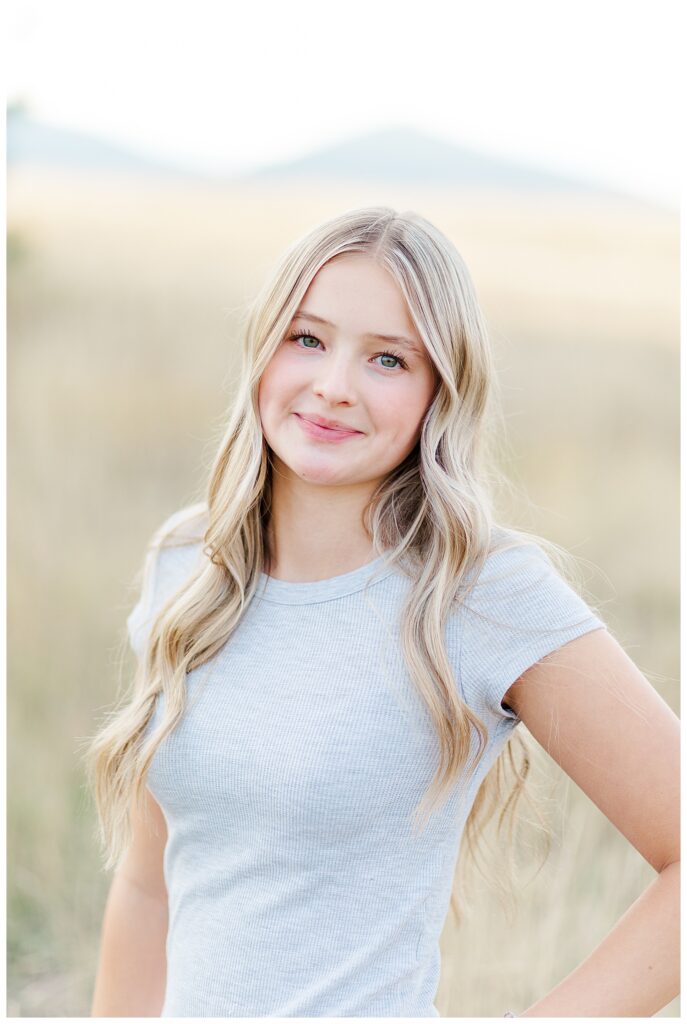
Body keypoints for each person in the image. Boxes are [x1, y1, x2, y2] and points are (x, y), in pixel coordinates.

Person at [85, 206, 679, 1018]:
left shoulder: (481, 593)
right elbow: (149, 885)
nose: (333, 385)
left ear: (440, 390)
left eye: (389, 359)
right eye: (307, 339)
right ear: (263, 348)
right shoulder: (188, 566)